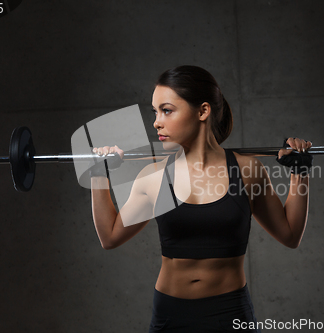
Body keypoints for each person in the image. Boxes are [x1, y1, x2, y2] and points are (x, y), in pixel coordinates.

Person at [90, 65, 312, 332]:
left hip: (229, 314)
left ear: (203, 111)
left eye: (167, 110)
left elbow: (290, 235)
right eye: (155, 111)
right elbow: (110, 237)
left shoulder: (247, 170)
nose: (156, 121)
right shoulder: (155, 176)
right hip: (170, 317)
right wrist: (98, 173)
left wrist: (300, 171)